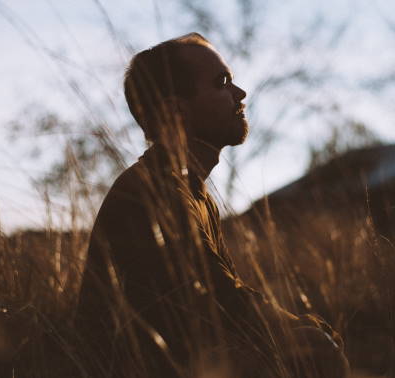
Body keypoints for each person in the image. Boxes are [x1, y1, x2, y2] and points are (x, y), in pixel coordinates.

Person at [75, 32, 349, 378]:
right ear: (176, 111)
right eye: (223, 82)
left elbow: (223, 299)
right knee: (313, 353)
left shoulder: (194, 191)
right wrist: (298, 331)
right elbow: (219, 302)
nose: (240, 94)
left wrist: (300, 326)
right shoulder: (155, 192)